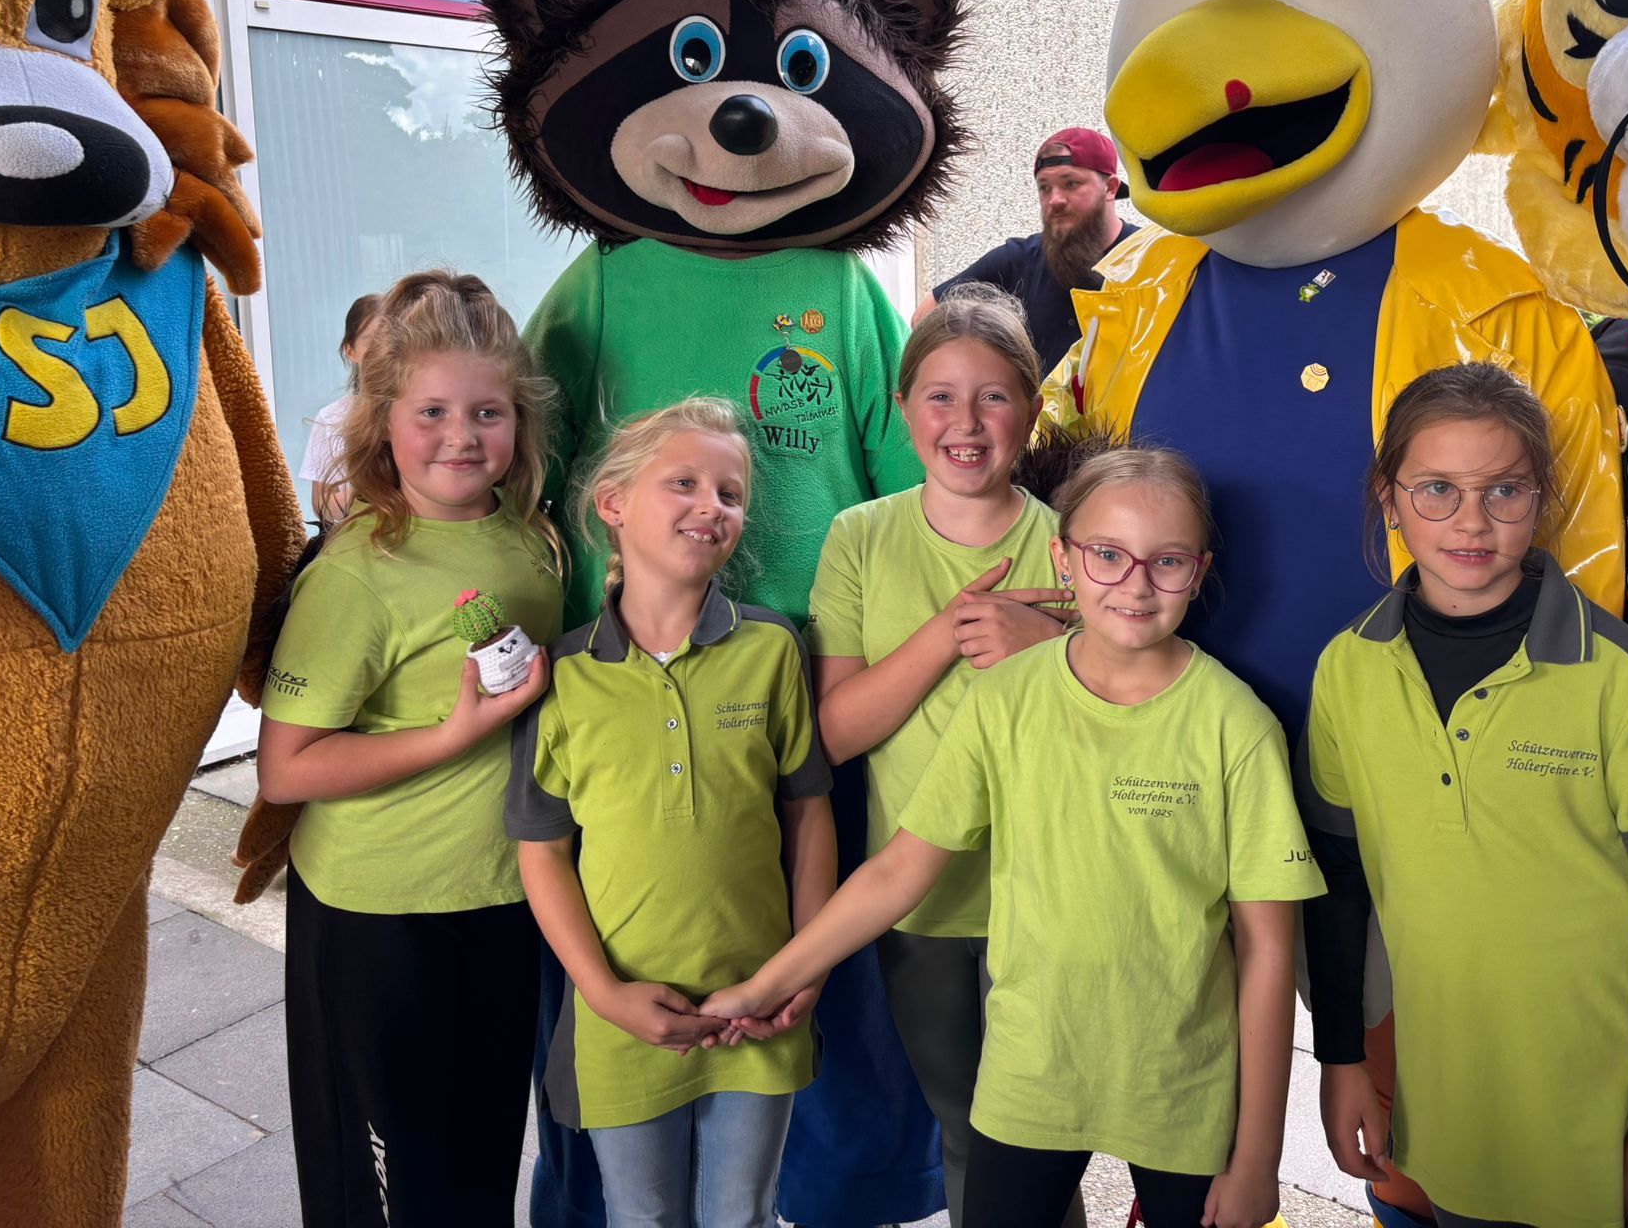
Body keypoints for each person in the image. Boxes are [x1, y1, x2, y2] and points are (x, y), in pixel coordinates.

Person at [708, 446, 1326, 1228]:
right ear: (1063, 560)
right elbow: (899, 870)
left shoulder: (1236, 726)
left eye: (1166, 562)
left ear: (1198, 573)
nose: (1135, 584)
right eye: (1107, 555)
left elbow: (1267, 951)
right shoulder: (1004, 700)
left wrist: (1258, 1158)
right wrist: (768, 984)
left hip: (1181, 1087)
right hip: (1030, 1075)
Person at [1299, 363, 1628, 1228]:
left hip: (1603, 1129)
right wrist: (1340, 1058)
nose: (1471, 521)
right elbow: (1339, 885)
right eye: (1437, 490)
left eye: (1504, 490)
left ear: (1542, 498)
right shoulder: (1348, 669)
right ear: (1389, 499)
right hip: (1446, 1120)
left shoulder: (1613, 673)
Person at [255, 270, 564, 1226]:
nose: (461, 437)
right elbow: (285, 769)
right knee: (391, 1193)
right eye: (431, 412)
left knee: (479, 1169)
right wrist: (452, 735)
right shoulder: (357, 572)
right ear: (382, 420)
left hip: (506, 897)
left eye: (487, 412)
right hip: (379, 914)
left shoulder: (532, 538)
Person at [508, 397, 836, 1228]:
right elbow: (542, 852)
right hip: (621, 1018)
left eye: (730, 493)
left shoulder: (772, 649)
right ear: (613, 503)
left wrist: (806, 969)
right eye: (683, 483)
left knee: (743, 1215)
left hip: (760, 1007)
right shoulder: (564, 678)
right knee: (640, 1218)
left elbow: (809, 818)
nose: (711, 506)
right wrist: (605, 994)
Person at [806, 284, 1076, 1225]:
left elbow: (1135, 707)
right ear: (902, 409)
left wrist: (1053, 645)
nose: (966, 422)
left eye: (993, 397)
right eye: (940, 396)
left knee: (1041, 1141)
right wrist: (952, 630)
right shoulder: (860, 538)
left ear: (1031, 411)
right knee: (965, 1133)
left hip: (1050, 898)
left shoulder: (1074, 543)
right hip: (914, 903)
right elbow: (836, 732)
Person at [918, 128, 1136, 375]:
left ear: (1110, 188)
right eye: (1045, 188)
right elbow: (925, 315)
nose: (1055, 199)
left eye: (1071, 183)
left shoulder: (1148, 257)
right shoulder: (1019, 259)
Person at [300, 292, 381, 524]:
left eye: (391, 339)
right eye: (372, 340)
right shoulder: (331, 418)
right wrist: (377, 491)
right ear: (350, 351)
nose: (383, 349)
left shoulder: (425, 410)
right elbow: (322, 505)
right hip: (360, 537)